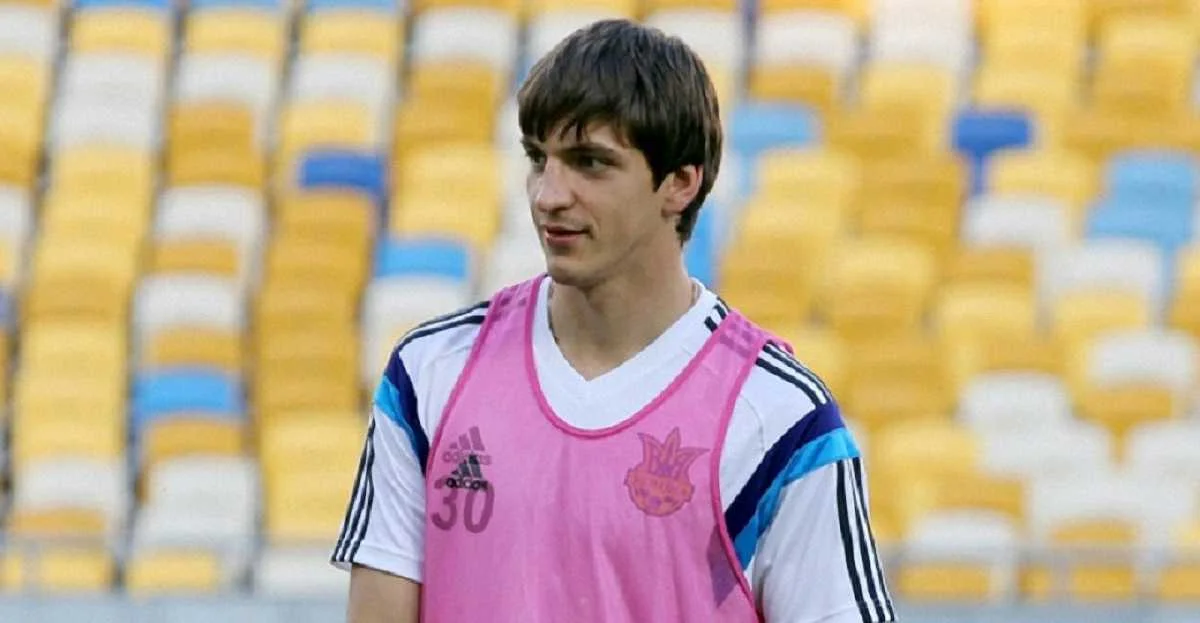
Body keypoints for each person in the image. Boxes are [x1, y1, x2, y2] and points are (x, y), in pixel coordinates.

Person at [332, 18, 895, 623]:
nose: (548, 195)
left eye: (590, 163)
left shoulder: (778, 418)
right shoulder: (430, 373)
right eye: (539, 159)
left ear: (680, 183)